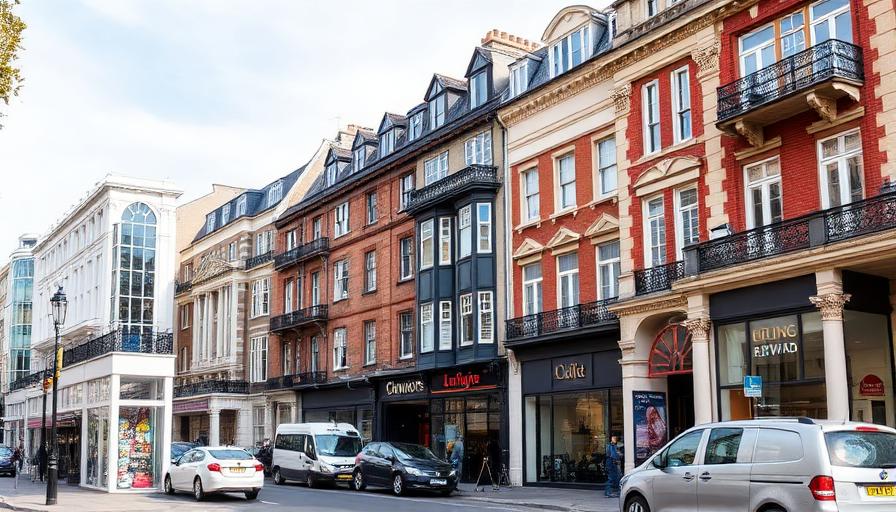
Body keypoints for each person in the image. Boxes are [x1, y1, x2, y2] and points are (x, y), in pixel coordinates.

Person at [605, 434, 622, 498]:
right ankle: (608, 492)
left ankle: (610, 492)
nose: (615, 439)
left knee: (615, 477)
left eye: (615, 438)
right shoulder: (611, 446)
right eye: (613, 438)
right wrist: (618, 456)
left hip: (612, 462)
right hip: (612, 463)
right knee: (611, 477)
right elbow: (612, 455)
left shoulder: (613, 446)